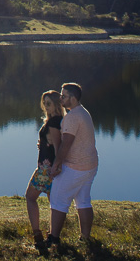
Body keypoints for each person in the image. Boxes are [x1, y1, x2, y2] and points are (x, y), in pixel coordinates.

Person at [43, 82, 98, 251]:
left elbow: (66, 145)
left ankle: (54, 239)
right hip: (90, 166)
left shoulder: (73, 117)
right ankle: (85, 238)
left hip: (76, 167)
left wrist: (56, 166)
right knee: (83, 201)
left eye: (64, 96)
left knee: (58, 200)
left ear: (73, 99)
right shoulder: (84, 112)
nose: (61, 99)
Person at [26, 89, 65, 252]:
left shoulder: (54, 122)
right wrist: (43, 144)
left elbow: (58, 147)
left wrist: (55, 168)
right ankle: (52, 236)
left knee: (30, 197)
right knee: (53, 202)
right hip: (50, 167)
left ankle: (38, 235)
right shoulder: (57, 120)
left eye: (49, 103)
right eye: (44, 103)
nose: (46, 106)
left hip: (47, 169)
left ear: (56, 104)